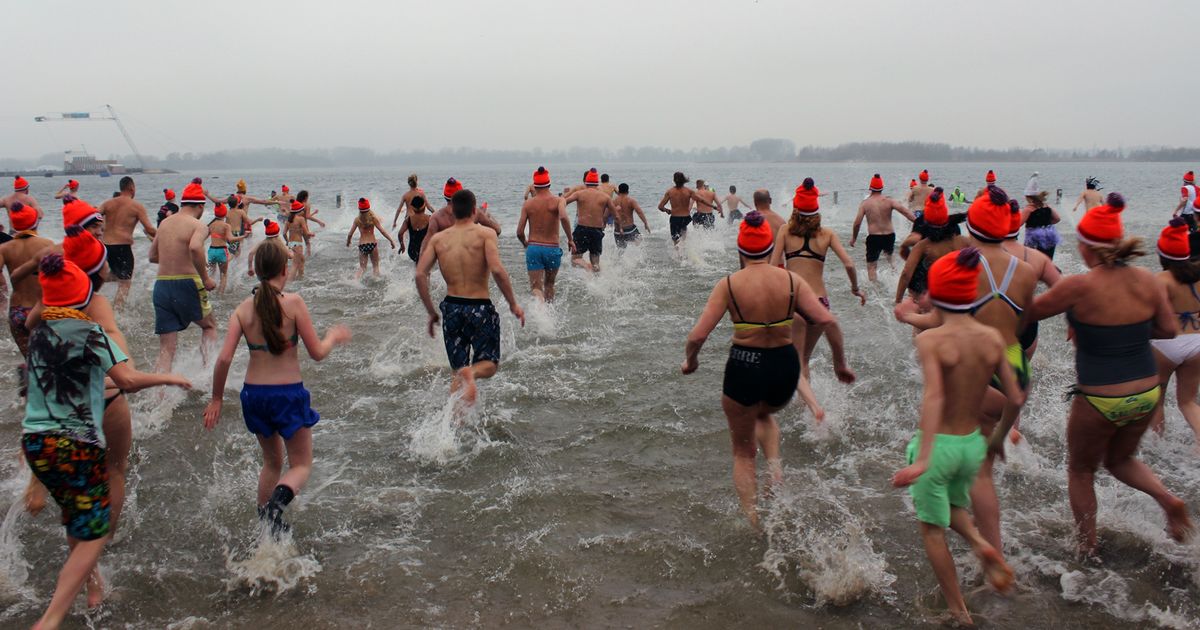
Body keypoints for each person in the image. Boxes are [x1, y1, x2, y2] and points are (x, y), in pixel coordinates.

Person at [23, 254, 189, 629]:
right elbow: (126, 379)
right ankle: (50, 618)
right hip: (75, 446)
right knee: (94, 533)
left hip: (36, 445)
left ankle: (94, 587)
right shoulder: (89, 333)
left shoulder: (38, 336)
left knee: (76, 519)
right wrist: (169, 379)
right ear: (84, 298)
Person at [1024, 193, 1193, 555]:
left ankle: (1087, 547)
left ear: (1086, 247)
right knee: (1119, 460)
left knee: (1081, 472)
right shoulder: (1148, 282)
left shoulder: (1077, 287)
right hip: (1147, 393)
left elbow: (1025, 315)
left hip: (1101, 396)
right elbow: (1167, 331)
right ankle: (1168, 500)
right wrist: (1126, 330)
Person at [682, 211, 852, 530]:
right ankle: (776, 472)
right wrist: (839, 363)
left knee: (743, 452)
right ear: (767, 246)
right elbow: (828, 320)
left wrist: (691, 361)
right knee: (764, 413)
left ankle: (755, 521)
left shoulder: (729, 284)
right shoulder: (790, 280)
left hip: (744, 367)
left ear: (740, 249)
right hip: (783, 367)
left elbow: (698, 335)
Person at [891, 247, 1021, 627]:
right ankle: (982, 545)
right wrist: (998, 436)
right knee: (954, 508)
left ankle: (958, 611)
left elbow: (934, 397)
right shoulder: (993, 338)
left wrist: (923, 458)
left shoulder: (930, 341)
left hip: (941, 445)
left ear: (937, 294)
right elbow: (1014, 396)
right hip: (971, 447)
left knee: (932, 528)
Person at [204, 242, 350, 537]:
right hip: (287, 394)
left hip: (253, 396)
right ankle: (275, 507)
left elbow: (224, 358)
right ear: (285, 270)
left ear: (257, 271)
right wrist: (332, 337)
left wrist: (217, 398)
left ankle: (267, 529)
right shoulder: (294, 303)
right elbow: (317, 353)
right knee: (301, 465)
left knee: (271, 462)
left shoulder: (243, 309)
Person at [415, 189, 525, 405]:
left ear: (452, 211)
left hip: (452, 308)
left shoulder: (438, 239)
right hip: (480, 307)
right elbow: (497, 270)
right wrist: (513, 304)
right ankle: (472, 375)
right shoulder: (486, 234)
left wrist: (430, 312)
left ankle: (455, 422)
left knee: (458, 370)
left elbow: (420, 273)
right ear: (475, 211)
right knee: (489, 365)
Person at [769, 179, 861, 422]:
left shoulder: (785, 232)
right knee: (806, 358)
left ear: (795, 210)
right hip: (820, 304)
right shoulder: (828, 234)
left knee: (797, 360)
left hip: (794, 302)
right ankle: (812, 413)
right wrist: (855, 289)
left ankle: (807, 410)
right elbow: (850, 264)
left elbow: (772, 266)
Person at [148, 179, 219, 373]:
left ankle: (158, 396)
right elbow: (195, 247)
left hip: (161, 286)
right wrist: (205, 278)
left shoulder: (164, 224)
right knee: (209, 326)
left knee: (166, 350)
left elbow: (152, 256)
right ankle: (208, 375)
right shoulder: (199, 225)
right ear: (200, 206)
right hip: (187, 282)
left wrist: (172, 258)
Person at [1150, 218, 1200, 449]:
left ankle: (1158, 448)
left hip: (1166, 344)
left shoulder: (1161, 279)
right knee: (1188, 402)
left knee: (1157, 401)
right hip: (1197, 342)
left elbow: (1148, 312)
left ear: (1163, 255)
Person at [895, 188, 969, 304]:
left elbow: (906, 273)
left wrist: (898, 301)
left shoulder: (922, 240)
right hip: (946, 282)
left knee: (919, 308)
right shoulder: (957, 234)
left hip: (921, 278)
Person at [0, 202, 53, 357]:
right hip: (40, 310)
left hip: (17, 311)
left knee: (30, 361)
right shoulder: (47, 245)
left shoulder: (5, 248)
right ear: (35, 221)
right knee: (47, 361)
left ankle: (26, 379)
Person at [516, 167, 574, 302]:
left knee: (536, 288)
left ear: (534, 186)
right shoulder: (558, 201)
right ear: (549, 184)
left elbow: (519, 232)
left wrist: (525, 243)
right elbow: (564, 218)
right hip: (552, 248)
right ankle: (549, 314)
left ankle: (540, 313)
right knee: (549, 285)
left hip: (534, 248)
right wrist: (570, 239)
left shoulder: (528, 204)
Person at [99, 176, 158, 309]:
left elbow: (93, 217)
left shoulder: (107, 203)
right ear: (132, 187)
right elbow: (149, 228)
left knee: (112, 275)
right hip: (122, 248)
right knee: (125, 283)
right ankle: (117, 313)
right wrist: (163, 236)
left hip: (105, 246)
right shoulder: (136, 206)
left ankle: (90, 286)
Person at [850, 174, 916, 282]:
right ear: (882, 188)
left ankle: (874, 290)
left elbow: (857, 223)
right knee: (890, 258)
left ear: (870, 188)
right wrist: (919, 223)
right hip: (889, 236)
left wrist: (854, 238)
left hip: (874, 237)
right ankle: (898, 278)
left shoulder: (865, 204)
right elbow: (906, 212)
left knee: (872, 266)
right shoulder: (889, 201)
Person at [562, 168, 618, 271]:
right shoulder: (605, 197)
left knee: (575, 259)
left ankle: (586, 266)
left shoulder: (579, 193)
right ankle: (597, 282)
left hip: (582, 229)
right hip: (597, 231)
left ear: (586, 182)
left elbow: (564, 202)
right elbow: (616, 216)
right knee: (596, 262)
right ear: (597, 183)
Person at [657, 171, 719, 246]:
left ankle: (678, 255)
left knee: (675, 241)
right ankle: (686, 252)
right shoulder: (689, 191)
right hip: (685, 218)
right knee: (683, 238)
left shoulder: (670, 192)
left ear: (674, 180)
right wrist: (714, 207)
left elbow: (660, 207)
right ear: (684, 180)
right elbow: (701, 200)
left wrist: (667, 210)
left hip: (675, 218)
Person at [428, 178, 502, 236]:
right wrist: (488, 216)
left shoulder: (436, 217)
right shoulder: (475, 213)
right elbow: (497, 230)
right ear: (463, 196)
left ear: (445, 196)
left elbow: (427, 245)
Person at [346, 198, 396, 279]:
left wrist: (348, 242)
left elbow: (350, 234)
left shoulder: (357, 220)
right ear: (369, 208)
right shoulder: (373, 219)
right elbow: (382, 231)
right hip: (372, 244)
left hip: (362, 245)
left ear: (359, 209)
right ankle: (376, 282)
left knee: (362, 268)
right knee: (375, 267)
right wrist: (391, 241)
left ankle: (355, 281)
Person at [207, 203, 246, 293]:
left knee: (211, 273)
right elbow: (231, 239)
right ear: (225, 214)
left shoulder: (211, 225)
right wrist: (242, 236)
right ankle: (220, 295)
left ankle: (210, 292)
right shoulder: (226, 226)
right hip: (221, 251)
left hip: (211, 251)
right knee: (223, 274)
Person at [1022, 190, 1061, 259]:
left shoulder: (1028, 209)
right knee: (1047, 260)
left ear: (1029, 198)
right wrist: (1044, 223)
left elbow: (1018, 224)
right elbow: (1057, 219)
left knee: (1032, 261)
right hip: (1050, 236)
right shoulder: (1047, 206)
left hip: (1034, 238)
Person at [612, 183, 651, 249]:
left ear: (618, 191)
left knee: (620, 250)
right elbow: (639, 212)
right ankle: (636, 258)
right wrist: (645, 223)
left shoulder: (613, 201)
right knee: (640, 242)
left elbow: (606, 214)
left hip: (617, 230)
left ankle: (620, 259)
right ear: (628, 191)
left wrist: (603, 224)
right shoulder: (631, 201)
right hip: (629, 229)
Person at [225, 194, 263, 259]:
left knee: (237, 250)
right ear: (237, 204)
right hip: (235, 234)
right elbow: (250, 223)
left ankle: (235, 267)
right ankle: (224, 265)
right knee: (232, 254)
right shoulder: (241, 212)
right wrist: (258, 219)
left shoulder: (227, 212)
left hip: (227, 234)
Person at [283, 200, 314, 280]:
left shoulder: (288, 220)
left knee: (302, 260)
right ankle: (289, 281)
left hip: (291, 244)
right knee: (295, 264)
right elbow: (306, 232)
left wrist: (287, 241)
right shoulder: (301, 219)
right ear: (299, 211)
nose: (303, 212)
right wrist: (311, 234)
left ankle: (300, 277)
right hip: (297, 244)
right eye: (302, 210)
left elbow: (284, 233)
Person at [397, 195, 431, 263]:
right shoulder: (430, 218)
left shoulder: (408, 219)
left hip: (412, 250)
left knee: (417, 263)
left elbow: (400, 233)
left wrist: (402, 245)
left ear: (412, 208)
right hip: (426, 250)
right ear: (424, 206)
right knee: (425, 267)